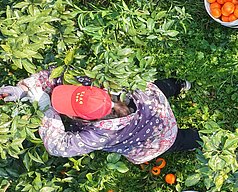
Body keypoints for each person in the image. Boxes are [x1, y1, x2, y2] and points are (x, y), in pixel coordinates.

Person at [0, 70, 198, 164]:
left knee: (177, 140)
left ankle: (201, 139)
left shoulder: (101, 133)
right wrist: (23, 90)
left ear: (88, 120)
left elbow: (58, 146)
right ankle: (181, 85)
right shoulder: (99, 84)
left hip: (158, 135)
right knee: (163, 88)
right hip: (153, 103)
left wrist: (46, 109)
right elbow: (55, 76)